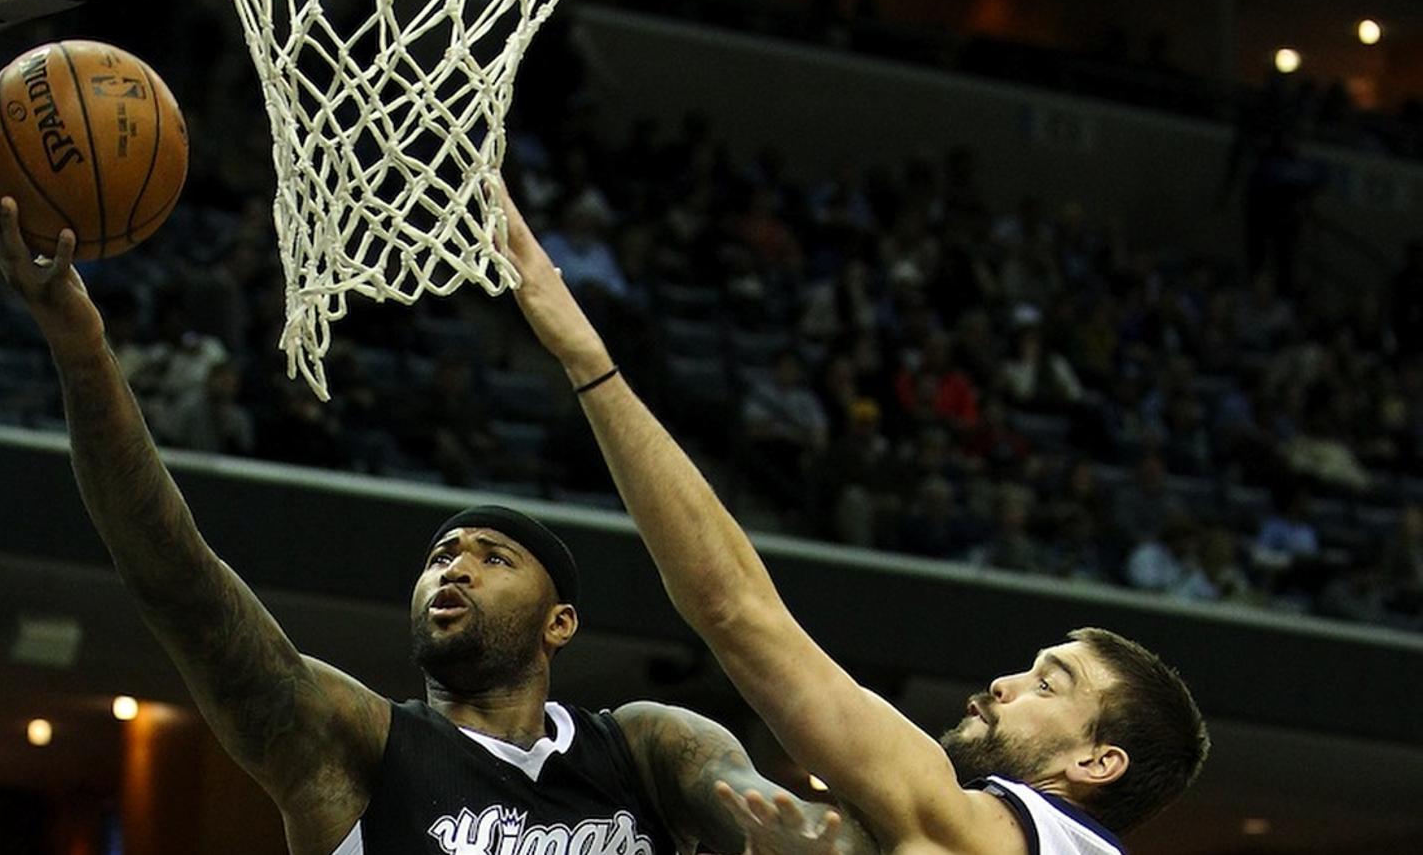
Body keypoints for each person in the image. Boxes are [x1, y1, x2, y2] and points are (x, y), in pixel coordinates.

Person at [0, 180, 866, 855]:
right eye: (441, 555)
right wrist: (83, 351)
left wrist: (791, 835)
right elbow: (178, 581)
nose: (454, 567)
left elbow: (753, 802)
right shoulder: (357, 748)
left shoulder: (645, 746)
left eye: (493, 557)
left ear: (560, 623)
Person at [498, 183, 1210, 854]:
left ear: (1098, 761)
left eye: (1048, 685)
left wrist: (588, 361)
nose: (1005, 685)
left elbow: (735, 610)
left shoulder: (985, 832)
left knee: (662, 737)